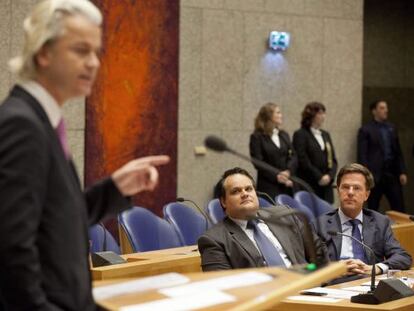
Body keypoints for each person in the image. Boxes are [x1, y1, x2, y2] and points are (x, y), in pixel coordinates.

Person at [0, 1, 169, 310]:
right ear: (43, 52)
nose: (93, 63)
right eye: (80, 50)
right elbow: (12, 253)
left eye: (96, 52)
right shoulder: (22, 125)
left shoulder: (43, 122)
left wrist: (114, 189)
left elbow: (56, 223)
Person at [197, 167, 328, 271]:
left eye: (249, 189)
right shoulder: (214, 240)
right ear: (223, 202)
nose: (245, 194)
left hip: (308, 290)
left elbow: (318, 251)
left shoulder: (285, 215)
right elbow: (222, 286)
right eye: (236, 191)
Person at [316, 163, 411, 280]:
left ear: (366, 194)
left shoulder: (380, 222)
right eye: (345, 187)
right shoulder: (320, 225)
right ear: (338, 191)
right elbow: (308, 265)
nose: (350, 192)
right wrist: (335, 270)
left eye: (356, 188)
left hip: (370, 284)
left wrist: (376, 268)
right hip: (334, 286)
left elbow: (403, 257)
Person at [357, 100, 407, 212]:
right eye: (382, 108)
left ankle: (401, 230)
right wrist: (366, 175)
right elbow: (362, 155)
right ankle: (372, 229)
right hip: (375, 175)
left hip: (392, 174)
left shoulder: (391, 128)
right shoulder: (366, 130)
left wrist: (402, 171)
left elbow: (398, 152)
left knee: (399, 207)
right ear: (374, 111)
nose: (386, 110)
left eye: (386, 108)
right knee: (372, 207)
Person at [249, 103, 297, 199]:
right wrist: (277, 176)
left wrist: (288, 171)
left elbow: (293, 156)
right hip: (269, 186)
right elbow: (258, 163)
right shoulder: (257, 137)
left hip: (287, 185)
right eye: (278, 112)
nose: (281, 115)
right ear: (269, 116)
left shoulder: (284, 134)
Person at [293, 102, 337, 203]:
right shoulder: (300, 134)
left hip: (326, 187)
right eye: (320, 113)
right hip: (310, 184)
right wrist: (319, 177)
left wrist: (330, 176)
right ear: (311, 115)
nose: (323, 116)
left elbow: (333, 159)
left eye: (324, 113)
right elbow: (302, 159)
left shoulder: (325, 134)